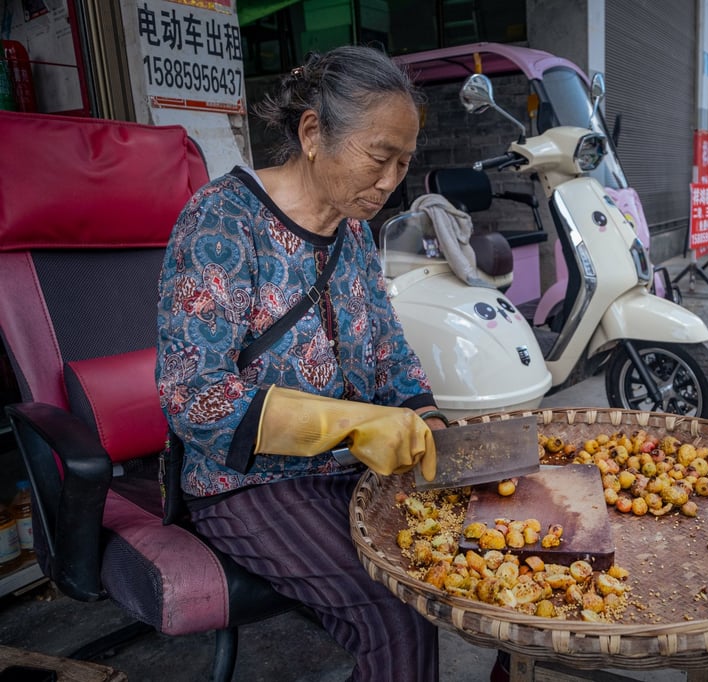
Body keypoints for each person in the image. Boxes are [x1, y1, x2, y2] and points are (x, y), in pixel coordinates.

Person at [156, 46, 445, 682]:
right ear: (313, 133)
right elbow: (193, 398)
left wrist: (426, 415)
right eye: (379, 157)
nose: (391, 180)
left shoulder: (356, 230)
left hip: (350, 472)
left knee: (477, 559)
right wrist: (349, 426)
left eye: (403, 163)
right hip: (251, 487)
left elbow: (388, 350)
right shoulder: (222, 222)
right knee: (395, 615)